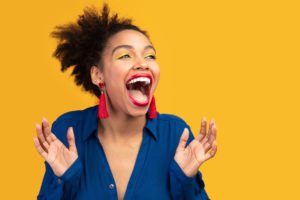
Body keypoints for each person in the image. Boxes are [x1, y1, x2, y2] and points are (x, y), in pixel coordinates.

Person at [33, 4, 217, 200]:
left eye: (150, 55)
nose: (143, 63)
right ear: (97, 75)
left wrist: (185, 182)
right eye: (125, 55)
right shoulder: (68, 131)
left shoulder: (176, 135)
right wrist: (65, 180)